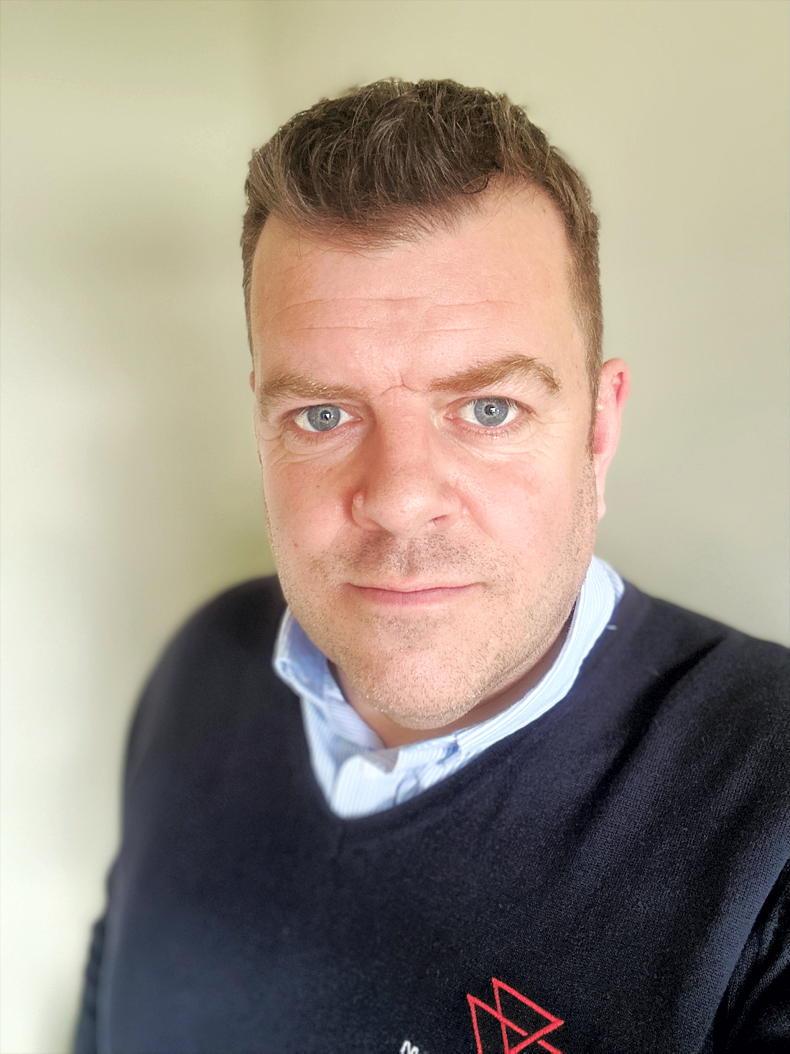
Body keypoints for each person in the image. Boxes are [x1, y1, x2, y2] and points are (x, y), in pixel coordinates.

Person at [73, 78, 789, 1054]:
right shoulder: (199, 669)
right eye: (322, 414)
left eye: (489, 409)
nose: (401, 497)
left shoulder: (768, 809)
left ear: (598, 430)